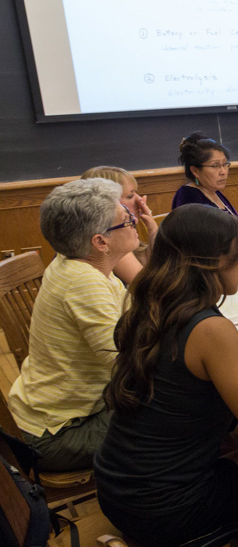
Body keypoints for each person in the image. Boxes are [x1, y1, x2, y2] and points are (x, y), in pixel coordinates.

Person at [94, 204, 238, 547]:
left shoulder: (150, 305)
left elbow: (181, 365)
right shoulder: (211, 329)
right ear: (208, 262)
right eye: (237, 253)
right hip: (167, 512)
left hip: (117, 490)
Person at [7, 178, 138, 471]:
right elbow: (126, 367)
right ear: (100, 242)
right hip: (58, 433)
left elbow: (136, 318)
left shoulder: (80, 263)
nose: (134, 219)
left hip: (67, 412)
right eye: (125, 219)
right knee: (185, 412)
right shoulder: (83, 282)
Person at [172, 132, 238, 242]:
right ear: (195, 170)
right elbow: (197, 242)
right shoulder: (188, 196)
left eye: (225, 164)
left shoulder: (214, 192)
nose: (223, 172)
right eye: (215, 166)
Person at [80, 165, 158, 283]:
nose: (139, 200)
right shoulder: (108, 240)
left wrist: (152, 228)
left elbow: (151, 265)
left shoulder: (118, 231)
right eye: (130, 196)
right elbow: (148, 285)